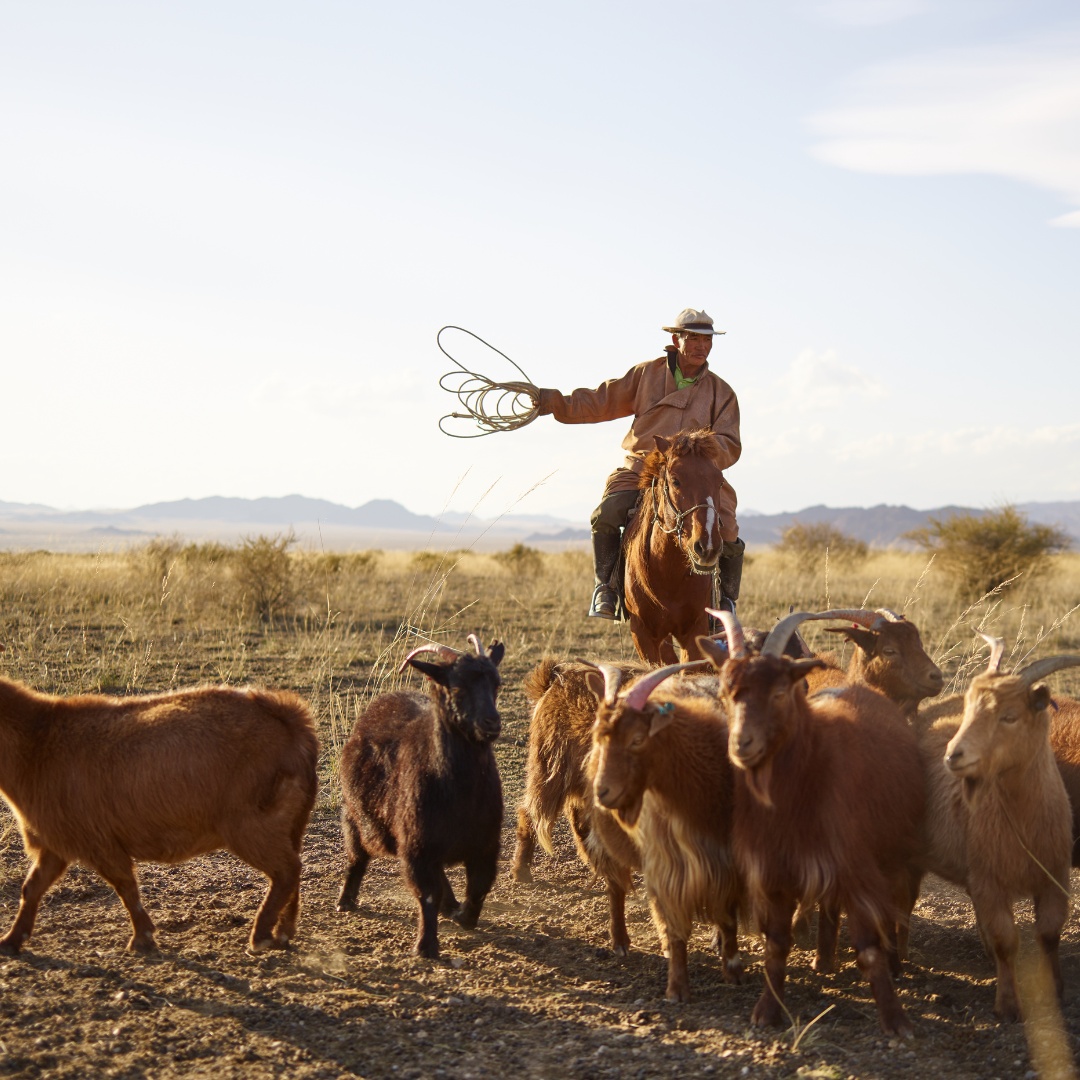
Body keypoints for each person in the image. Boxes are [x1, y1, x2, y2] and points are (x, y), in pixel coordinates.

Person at [533, 307, 744, 619]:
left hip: (696, 476)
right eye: (694, 339)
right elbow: (602, 401)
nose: (702, 346)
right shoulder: (645, 375)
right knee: (606, 513)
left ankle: (725, 602)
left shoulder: (721, 392)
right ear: (677, 339)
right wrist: (558, 404)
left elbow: (730, 443)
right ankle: (605, 587)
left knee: (726, 525)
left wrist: (695, 451)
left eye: (707, 341)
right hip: (643, 465)